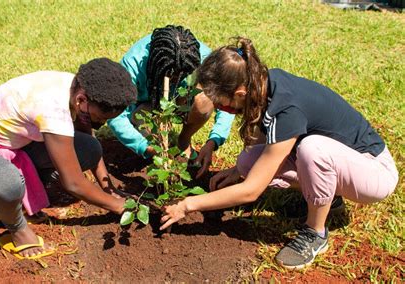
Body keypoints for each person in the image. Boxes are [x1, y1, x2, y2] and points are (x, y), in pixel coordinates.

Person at [159, 37, 398, 270]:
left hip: (374, 172)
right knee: (248, 161)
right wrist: (237, 170)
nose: (221, 108)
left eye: (221, 103)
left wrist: (188, 205)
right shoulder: (263, 83)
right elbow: (263, 146)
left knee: (313, 149)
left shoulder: (286, 109)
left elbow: (251, 191)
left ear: (240, 93)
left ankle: (315, 233)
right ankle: (329, 198)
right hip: (345, 162)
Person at [0, 58, 137, 259]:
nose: (99, 123)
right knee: (6, 183)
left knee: (90, 148)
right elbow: (73, 183)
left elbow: (88, 135)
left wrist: (108, 188)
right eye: (99, 118)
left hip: (16, 144)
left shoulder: (79, 88)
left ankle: (14, 200)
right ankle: (17, 228)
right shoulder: (53, 109)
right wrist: (117, 205)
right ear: (81, 100)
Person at [107, 25, 235, 178]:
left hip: (183, 100)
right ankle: (155, 143)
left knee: (204, 100)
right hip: (146, 106)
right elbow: (115, 114)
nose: (177, 80)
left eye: (182, 76)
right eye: (173, 77)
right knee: (145, 125)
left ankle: (184, 140)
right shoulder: (134, 64)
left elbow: (226, 102)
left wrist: (213, 141)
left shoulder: (202, 58)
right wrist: (144, 147)